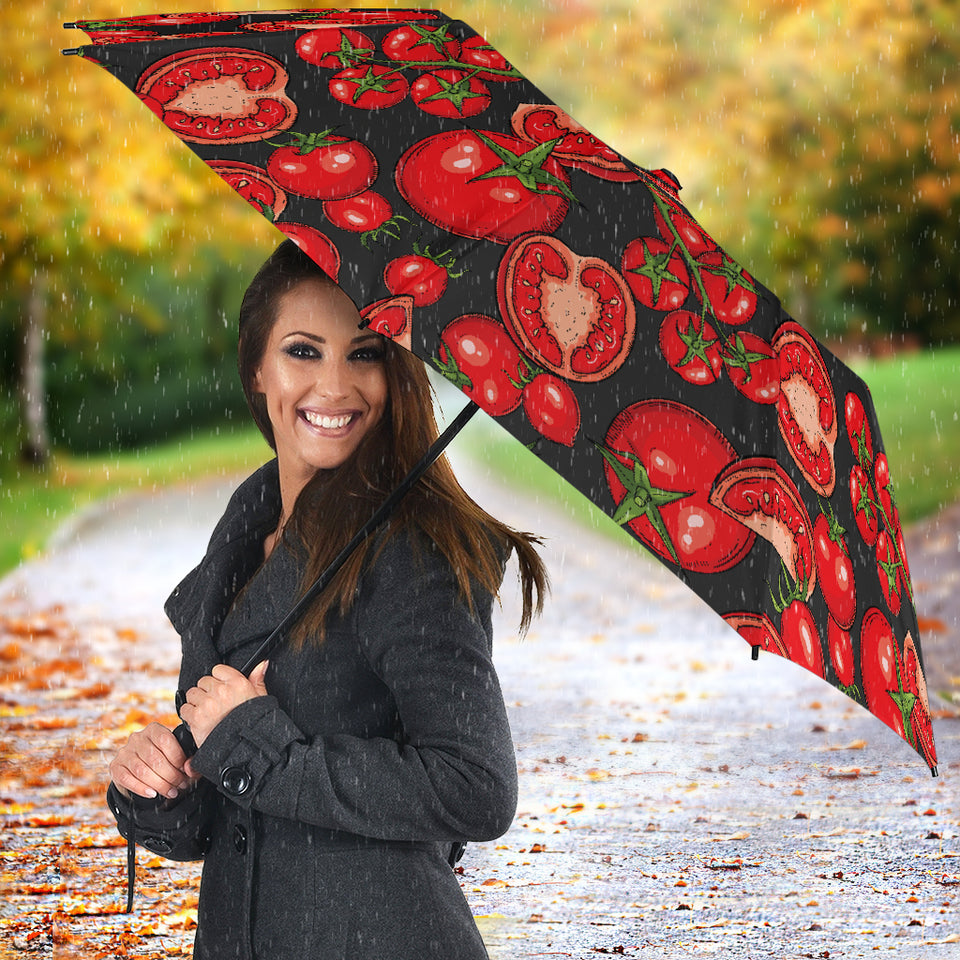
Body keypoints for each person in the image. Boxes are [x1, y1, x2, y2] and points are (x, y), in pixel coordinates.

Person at [107, 240, 547, 959]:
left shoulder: (411, 553)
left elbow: (477, 788)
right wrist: (167, 784)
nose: (336, 386)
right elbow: (235, 810)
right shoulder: (242, 545)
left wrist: (259, 747)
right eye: (304, 352)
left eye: (365, 353)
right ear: (257, 369)